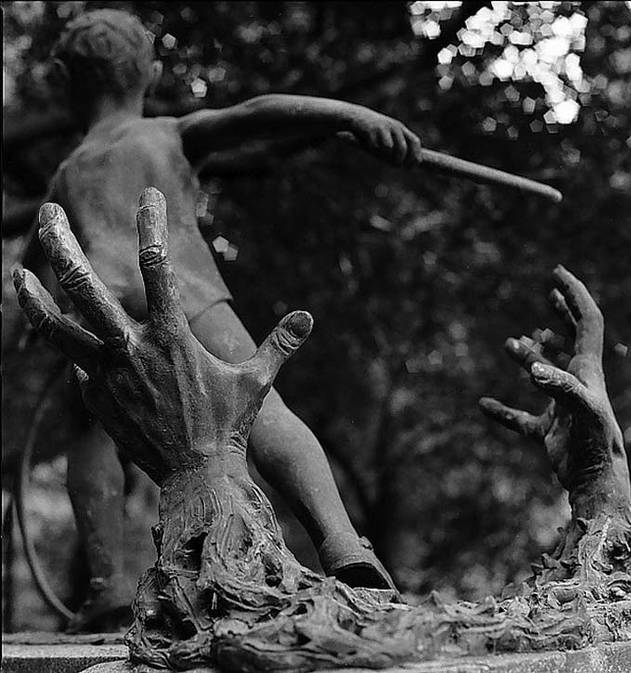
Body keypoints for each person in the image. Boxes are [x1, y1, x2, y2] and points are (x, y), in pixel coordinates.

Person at [19, 8, 423, 632]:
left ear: (64, 77)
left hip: (98, 309)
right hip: (185, 293)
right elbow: (258, 112)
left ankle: (107, 585)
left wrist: (25, 331)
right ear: (149, 74)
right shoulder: (166, 133)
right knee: (262, 409)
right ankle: (342, 543)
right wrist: (349, 114)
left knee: (92, 441)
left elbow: (34, 265)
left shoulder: (66, 173)